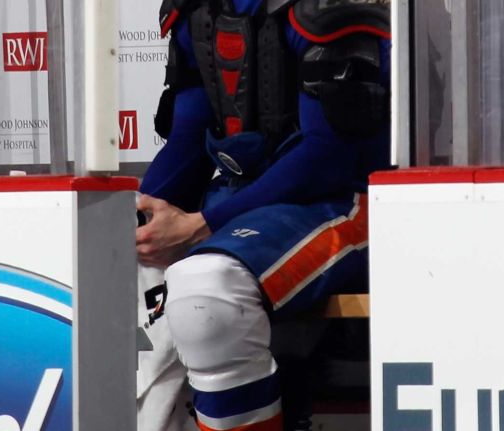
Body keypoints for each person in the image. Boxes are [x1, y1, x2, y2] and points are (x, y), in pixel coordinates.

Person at [136, 0, 391, 429]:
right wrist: (139, 216)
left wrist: (200, 226)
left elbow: (327, 157)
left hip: (349, 199)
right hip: (246, 197)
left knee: (206, 289)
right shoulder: (199, 8)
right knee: (117, 259)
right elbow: (188, 138)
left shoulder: (325, 6)